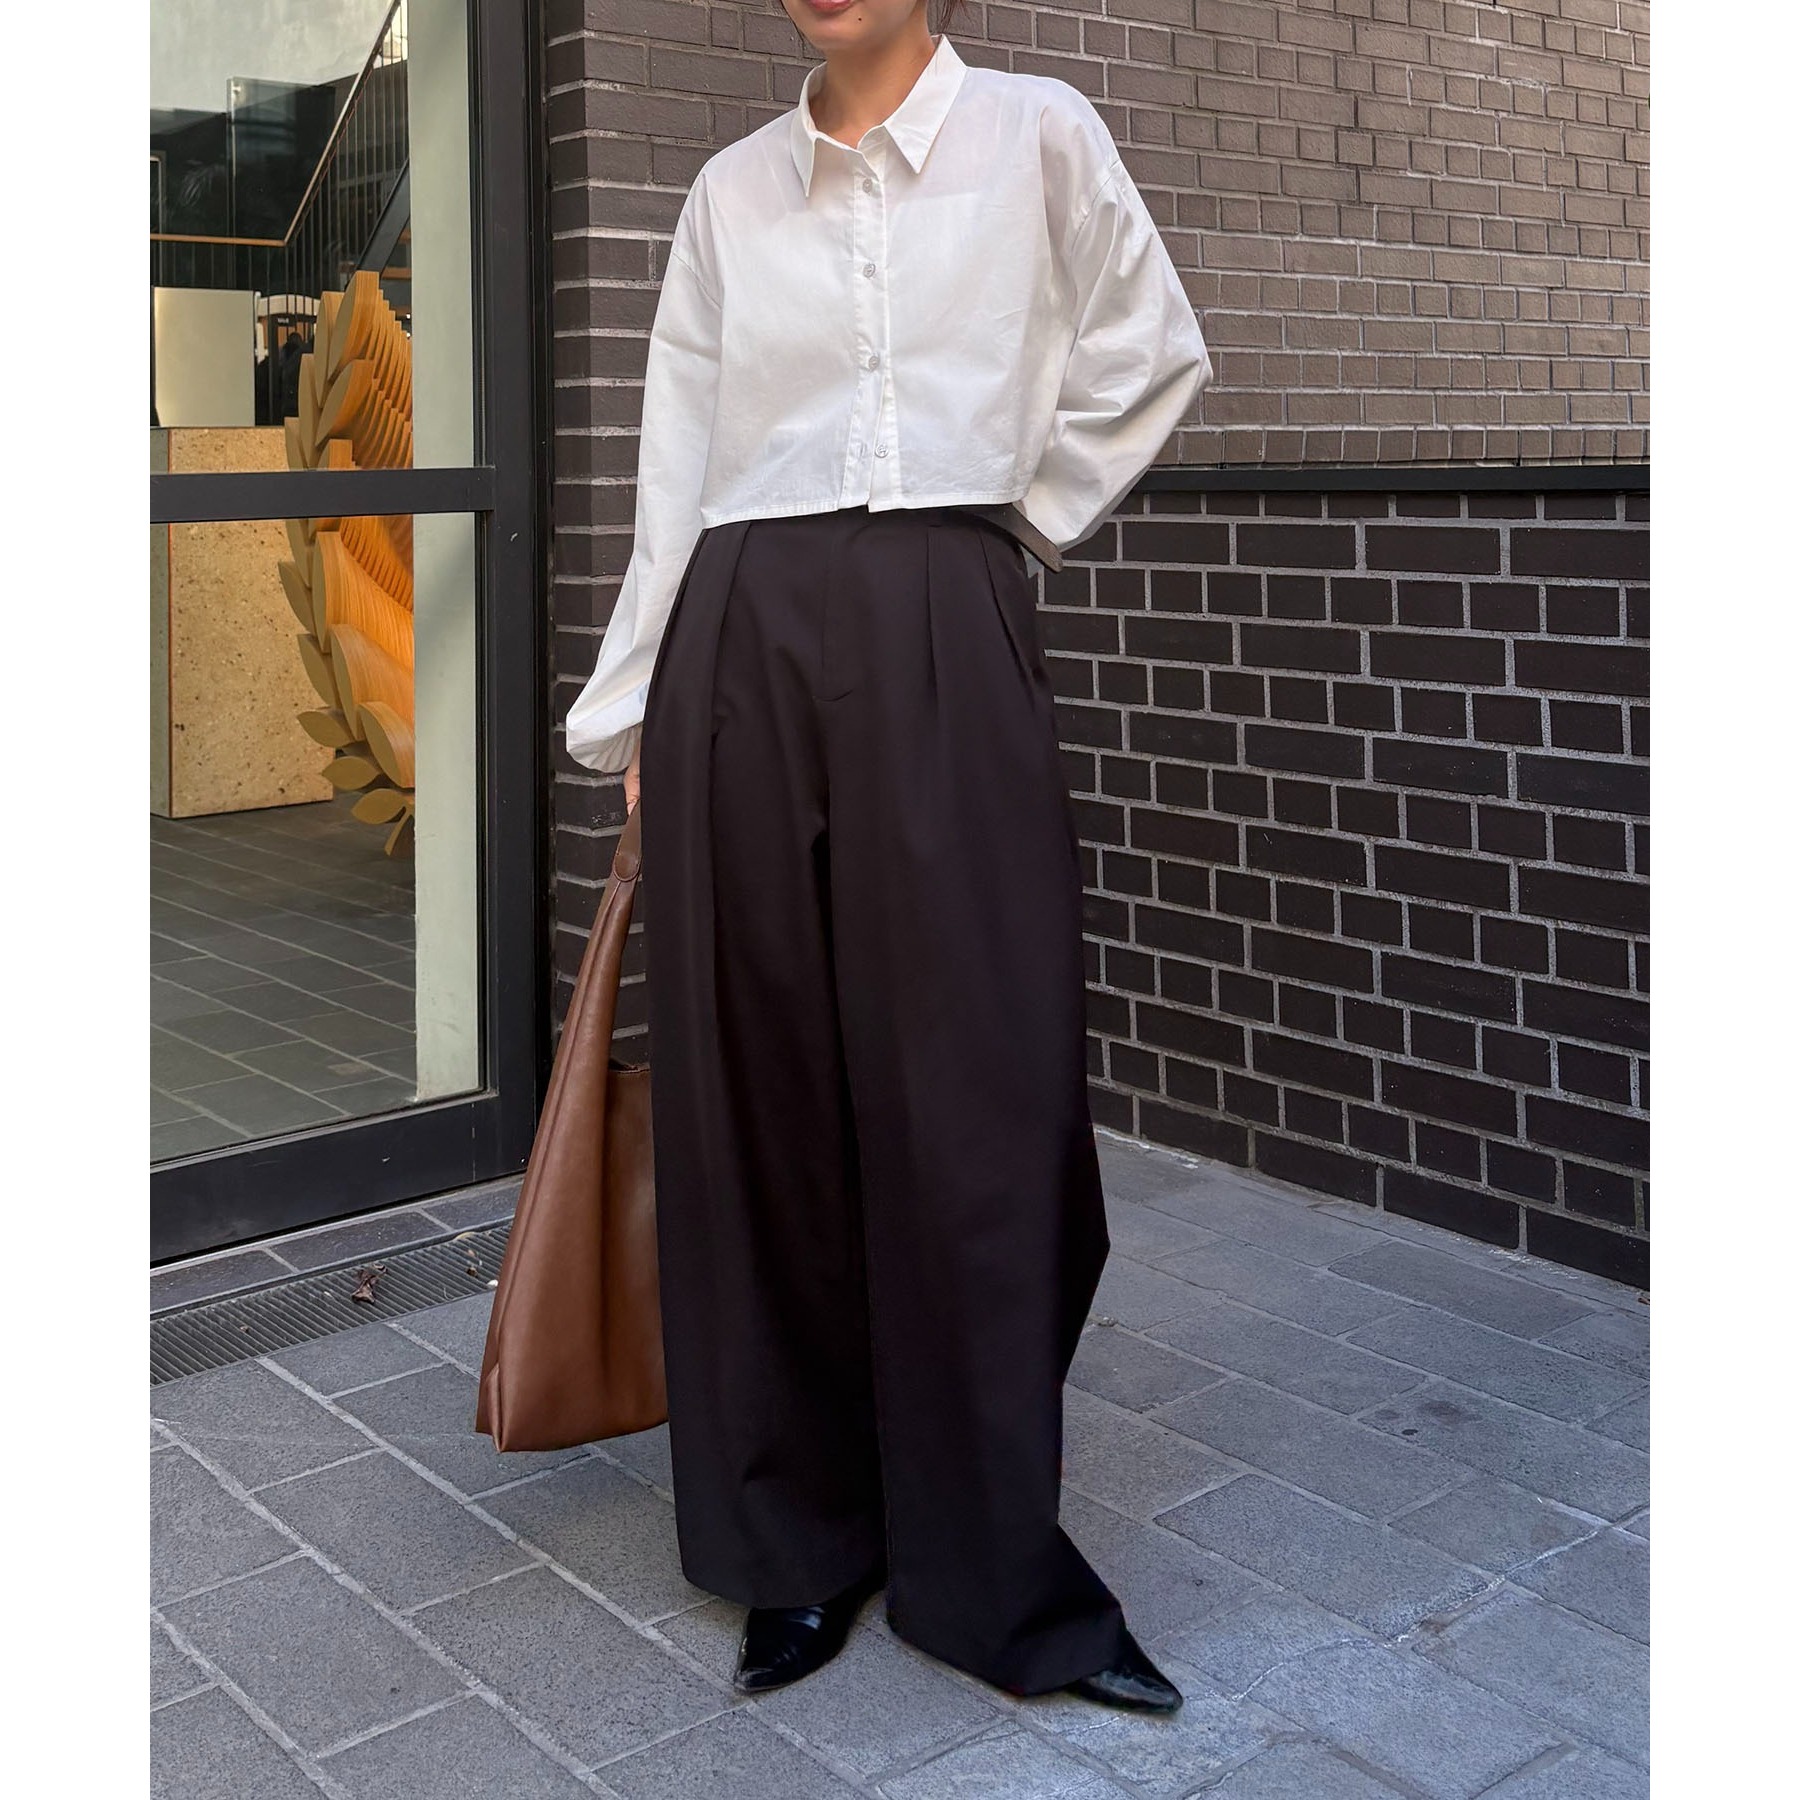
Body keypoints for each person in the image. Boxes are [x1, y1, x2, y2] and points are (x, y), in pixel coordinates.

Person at [564, 0, 1213, 1713]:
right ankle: (794, 1546)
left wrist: (1010, 521)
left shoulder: (1041, 136)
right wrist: (637, 713)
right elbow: (677, 461)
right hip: (741, 632)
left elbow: (1149, 349)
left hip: (946, 611)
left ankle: (991, 1573)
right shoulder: (729, 191)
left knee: (981, 1095)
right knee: (759, 1094)